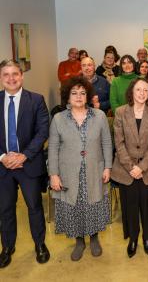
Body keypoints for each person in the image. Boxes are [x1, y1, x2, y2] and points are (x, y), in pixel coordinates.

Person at [48, 76, 112, 261]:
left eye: (82, 93)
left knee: (93, 204)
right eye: (74, 93)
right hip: (68, 172)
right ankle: (79, 241)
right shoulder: (59, 119)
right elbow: (53, 148)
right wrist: (54, 174)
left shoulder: (99, 116)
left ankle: (94, 238)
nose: (78, 97)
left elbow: (107, 143)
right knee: (74, 206)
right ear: (67, 97)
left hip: (94, 170)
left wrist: (107, 166)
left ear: (88, 96)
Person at [0, 60, 50, 268]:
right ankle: (7, 247)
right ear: (1, 77)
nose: (11, 78)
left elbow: (42, 131)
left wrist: (23, 156)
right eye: (6, 75)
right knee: (5, 209)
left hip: (28, 165)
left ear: (22, 75)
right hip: (2, 167)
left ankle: (40, 244)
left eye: (15, 74)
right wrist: (3, 157)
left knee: (34, 206)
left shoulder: (36, 100)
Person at [112, 78, 148, 257]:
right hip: (126, 169)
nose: (142, 93)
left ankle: (147, 237)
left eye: (145, 90)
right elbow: (119, 142)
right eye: (138, 90)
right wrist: (131, 167)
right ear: (131, 92)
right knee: (130, 206)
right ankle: (133, 238)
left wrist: (142, 167)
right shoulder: (120, 112)